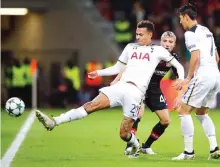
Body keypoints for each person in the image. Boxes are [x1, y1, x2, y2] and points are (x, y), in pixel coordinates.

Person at [35, 20, 184, 158]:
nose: (137, 37)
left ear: (150, 35)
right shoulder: (130, 47)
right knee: (90, 105)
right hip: (120, 87)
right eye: (136, 34)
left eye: (141, 34)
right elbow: (118, 67)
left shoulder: (158, 51)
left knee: (123, 133)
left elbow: (179, 66)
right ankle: (54, 121)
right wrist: (99, 72)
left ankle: (135, 144)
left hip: (136, 93)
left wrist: (181, 80)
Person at [111, 31, 180, 155]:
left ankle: (146, 146)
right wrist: (116, 80)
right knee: (138, 115)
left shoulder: (173, 59)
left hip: (154, 89)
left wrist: (180, 95)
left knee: (165, 121)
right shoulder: (150, 51)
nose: (167, 44)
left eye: (170, 42)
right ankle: (130, 146)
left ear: (174, 44)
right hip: (140, 86)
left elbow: (179, 77)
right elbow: (129, 66)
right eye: (164, 41)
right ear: (160, 42)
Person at [172, 3, 220, 160]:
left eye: (181, 19)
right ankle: (214, 149)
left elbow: (195, 56)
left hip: (203, 76)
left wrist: (188, 78)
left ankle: (188, 153)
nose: (180, 23)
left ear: (186, 17)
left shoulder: (190, 33)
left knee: (183, 111)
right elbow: (217, 57)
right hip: (215, 75)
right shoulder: (207, 31)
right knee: (202, 113)